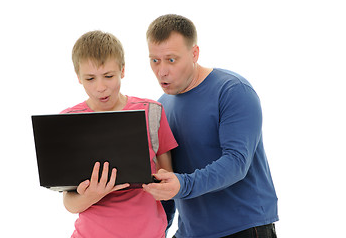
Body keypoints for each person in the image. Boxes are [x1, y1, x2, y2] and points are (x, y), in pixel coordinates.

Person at [142, 14, 279, 238]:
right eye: (154, 60)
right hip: (190, 232)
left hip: (244, 228)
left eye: (171, 60)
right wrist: (157, 230)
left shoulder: (233, 91)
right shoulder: (161, 107)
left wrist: (182, 185)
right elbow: (167, 180)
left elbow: (236, 162)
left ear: (194, 53)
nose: (162, 71)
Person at [61, 30, 178, 238]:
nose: (100, 87)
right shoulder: (69, 121)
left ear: (122, 70)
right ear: (78, 77)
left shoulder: (151, 112)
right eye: (90, 78)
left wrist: (156, 182)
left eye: (108, 76)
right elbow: (69, 203)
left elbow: (168, 180)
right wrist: (94, 195)